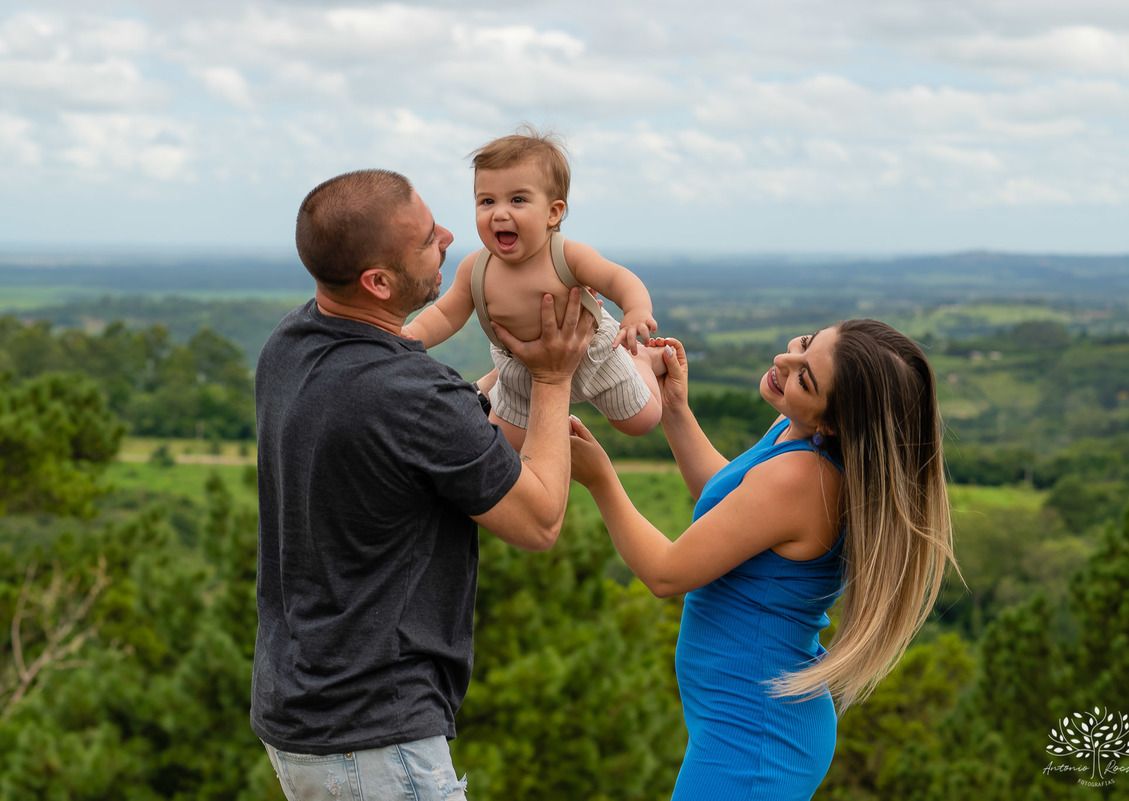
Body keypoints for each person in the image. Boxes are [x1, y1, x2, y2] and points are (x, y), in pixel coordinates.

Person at [251, 168, 594, 800]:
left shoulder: (292, 343)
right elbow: (539, 520)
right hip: (374, 729)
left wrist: (513, 373)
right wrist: (550, 380)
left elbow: (431, 432)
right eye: (425, 239)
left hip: (301, 705)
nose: (448, 236)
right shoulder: (407, 394)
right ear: (377, 282)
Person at [569, 321, 958, 800]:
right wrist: (675, 410)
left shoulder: (803, 477)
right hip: (749, 722)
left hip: (754, 739)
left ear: (833, 423)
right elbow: (733, 507)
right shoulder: (795, 432)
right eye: (807, 343)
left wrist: (600, 479)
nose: (785, 361)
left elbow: (666, 573)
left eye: (805, 378)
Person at [403, 126, 664, 451]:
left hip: (593, 353)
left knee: (642, 421)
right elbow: (444, 314)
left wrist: (636, 310)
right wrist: (407, 339)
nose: (499, 212)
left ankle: (643, 364)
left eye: (518, 200)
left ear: (553, 212)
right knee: (498, 448)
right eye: (487, 200)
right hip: (519, 369)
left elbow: (617, 279)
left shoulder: (566, 255)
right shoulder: (476, 267)